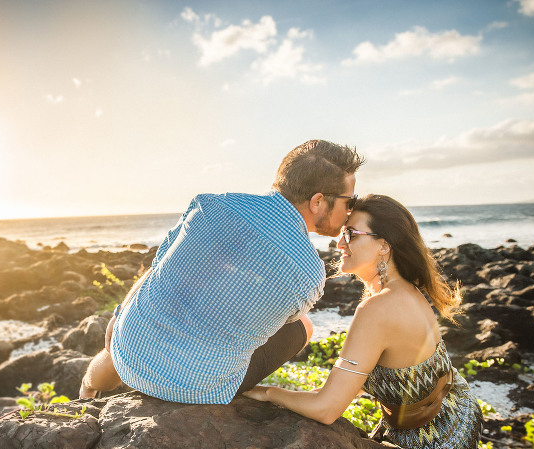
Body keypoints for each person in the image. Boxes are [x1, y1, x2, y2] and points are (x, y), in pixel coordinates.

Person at [79, 140, 364, 404]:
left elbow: (158, 267)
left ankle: (87, 390)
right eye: (348, 202)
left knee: (150, 315)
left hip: (130, 349)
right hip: (197, 388)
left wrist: (120, 314)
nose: (350, 212)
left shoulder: (209, 205)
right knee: (304, 326)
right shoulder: (310, 273)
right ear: (317, 202)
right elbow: (282, 323)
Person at [244, 194, 483, 449]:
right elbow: (350, 387)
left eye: (352, 234)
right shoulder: (403, 290)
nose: (340, 243)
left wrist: (267, 392)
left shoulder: (378, 307)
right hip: (456, 413)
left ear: (384, 245)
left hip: (436, 440)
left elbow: (326, 409)